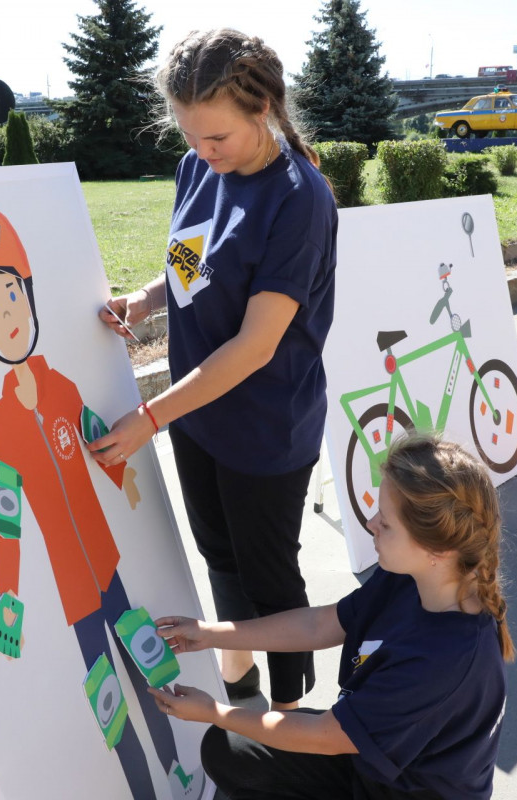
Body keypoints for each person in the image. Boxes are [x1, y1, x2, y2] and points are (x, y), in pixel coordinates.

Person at [93, 28, 338, 712]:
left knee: (269, 581)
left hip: (265, 428)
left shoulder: (300, 199)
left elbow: (256, 346)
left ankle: (289, 719)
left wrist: (149, 417)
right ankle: (239, 687)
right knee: (221, 561)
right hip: (197, 416)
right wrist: (146, 300)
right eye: (189, 134)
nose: (203, 151)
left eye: (217, 137)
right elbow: (192, 264)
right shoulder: (197, 167)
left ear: (262, 109)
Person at [0, 202, 203, 799]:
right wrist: (7, 592)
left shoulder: (61, 385)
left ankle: (176, 769)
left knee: (144, 668)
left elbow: (95, 435)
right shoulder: (0, 422)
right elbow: (4, 514)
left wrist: (126, 478)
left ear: (31, 297)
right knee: (108, 698)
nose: (8, 314)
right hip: (72, 591)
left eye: (14, 295)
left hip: (108, 565)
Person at [146, 435, 515, 800]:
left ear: (437, 549)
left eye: (386, 523)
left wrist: (214, 711)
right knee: (227, 747)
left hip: (402, 790)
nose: (371, 523)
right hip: (371, 760)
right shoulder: (412, 577)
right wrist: (210, 634)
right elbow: (319, 625)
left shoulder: (442, 661)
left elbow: (324, 736)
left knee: (240, 751)